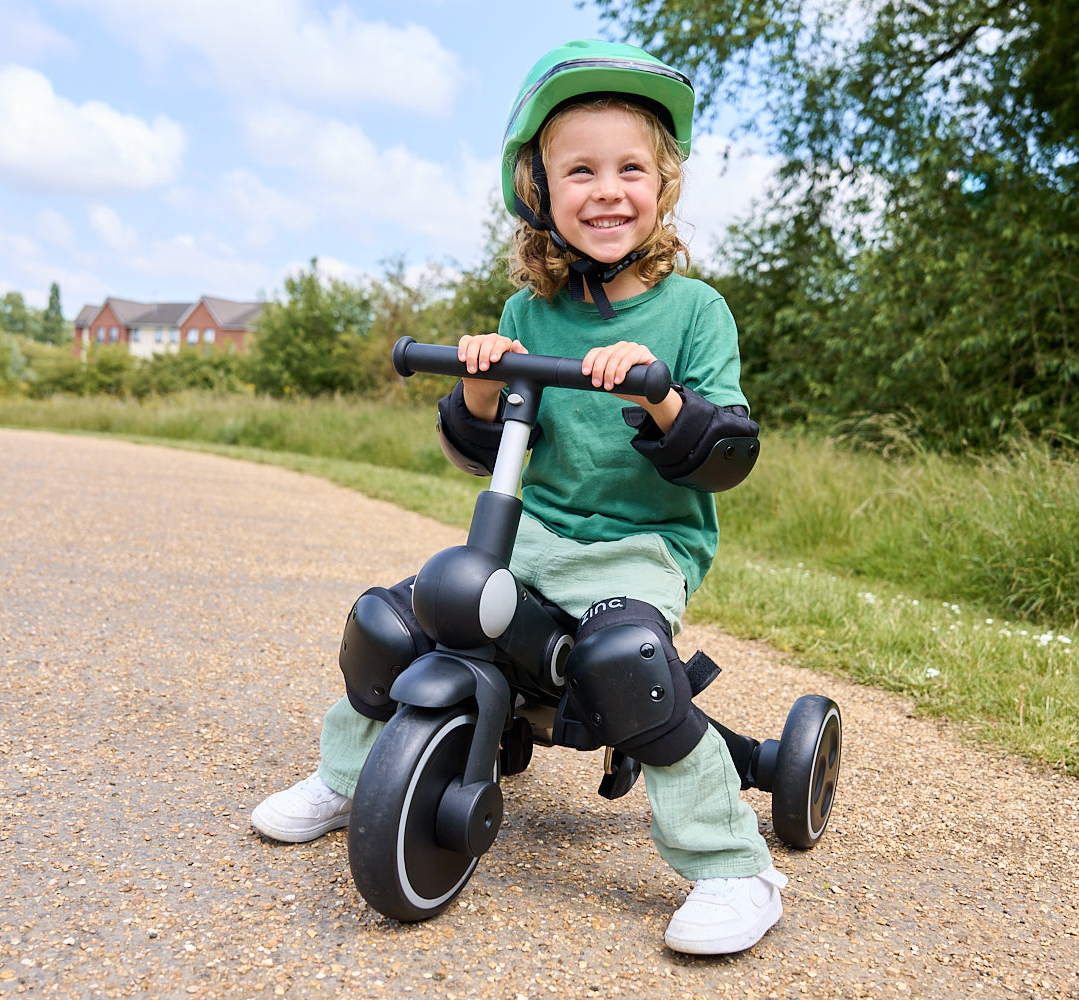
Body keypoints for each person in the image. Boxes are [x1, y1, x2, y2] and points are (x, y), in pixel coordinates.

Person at [251, 39, 783, 956]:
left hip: (639, 547)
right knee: (402, 618)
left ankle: (733, 866)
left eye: (630, 169)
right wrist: (484, 386)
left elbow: (727, 453)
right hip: (533, 534)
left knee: (622, 662)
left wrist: (658, 395)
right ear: (540, 189)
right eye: (580, 170)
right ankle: (351, 775)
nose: (607, 190)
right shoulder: (527, 314)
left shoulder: (697, 312)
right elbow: (480, 449)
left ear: (663, 186)